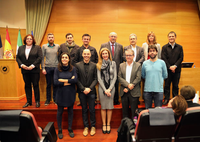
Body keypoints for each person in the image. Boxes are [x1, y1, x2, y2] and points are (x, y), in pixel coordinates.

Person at [54, 52, 77, 139]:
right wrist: (68, 81)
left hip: (70, 93)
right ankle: (60, 129)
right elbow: (56, 82)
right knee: (59, 112)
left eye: (66, 57)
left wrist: (62, 80)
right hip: (60, 94)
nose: (64, 59)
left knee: (70, 112)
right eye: (63, 57)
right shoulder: (57, 69)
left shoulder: (73, 69)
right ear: (61, 59)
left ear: (69, 59)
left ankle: (70, 128)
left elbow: (75, 81)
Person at [75, 49, 97, 137]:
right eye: (85, 54)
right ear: (82, 55)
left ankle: (93, 126)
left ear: (90, 55)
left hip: (91, 92)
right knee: (84, 110)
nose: (86, 55)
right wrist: (83, 89)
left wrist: (89, 88)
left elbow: (96, 79)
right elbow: (77, 79)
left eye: (88, 54)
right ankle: (86, 127)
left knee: (92, 110)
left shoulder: (94, 65)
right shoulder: (77, 65)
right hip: (82, 91)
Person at [16, 34, 42, 108]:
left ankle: (37, 101)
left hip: (34, 70)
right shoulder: (21, 48)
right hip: (25, 70)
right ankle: (29, 101)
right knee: (27, 85)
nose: (29, 40)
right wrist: (21, 65)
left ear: (33, 40)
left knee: (35, 85)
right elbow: (17, 58)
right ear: (25, 40)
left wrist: (32, 66)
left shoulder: (37, 47)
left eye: (30, 39)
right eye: (27, 39)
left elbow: (40, 58)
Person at [96, 48, 117, 134]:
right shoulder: (98, 65)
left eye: (106, 53)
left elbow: (115, 76)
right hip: (102, 88)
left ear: (109, 54)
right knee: (103, 107)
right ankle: (104, 124)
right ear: (101, 55)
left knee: (109, 107)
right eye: (103, 54)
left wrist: (110, 89)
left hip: (111, 88)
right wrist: (105, 90)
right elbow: (99, 78)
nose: (105, 55)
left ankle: (108, 124)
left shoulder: (113, 63)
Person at [74, 34, 98, 106]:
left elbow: (97, 59)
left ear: (89, 40)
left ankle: (94, 100)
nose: (86, 40)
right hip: (81, 70)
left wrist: (94, 67)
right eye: (85, 39)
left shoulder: (93, 49)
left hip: (91, 69)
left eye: (87, 39)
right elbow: (75, 60)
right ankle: (81, 101)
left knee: (92, 83)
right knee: (81, 84)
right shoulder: (78, 49)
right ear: (82, 40)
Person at [100, 32, 123, 105]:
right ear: (109, 37)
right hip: (105, 68)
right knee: (105, 83)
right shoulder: (103, 45)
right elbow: (100, 56)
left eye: (115, 36)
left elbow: (121, 58)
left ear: (116, 38)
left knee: (115, 84)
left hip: (116, 69)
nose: (113, 37)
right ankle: (105, 100)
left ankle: (116, 100)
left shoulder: (120, 46)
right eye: (112, 36)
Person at [118, 49, 141, 119]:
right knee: (125, 112)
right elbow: (119, 77)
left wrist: (129, 88)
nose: (128, 57)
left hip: (134, 92)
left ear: (133, 56)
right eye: (127, 55)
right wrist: (128, 85)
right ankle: (126, 127)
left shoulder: (138, 65)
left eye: (130, 55)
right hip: (124, 91)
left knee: (134, 112)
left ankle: (134, 128)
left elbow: (138, 78)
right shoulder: (121, 65)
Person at [162, 31, 184, 105]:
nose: (171, 38)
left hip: (177, 70)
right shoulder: (164, 47)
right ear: (168, 38)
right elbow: (163, 58)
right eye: (170, 36)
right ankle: (166, 99)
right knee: (167, 85)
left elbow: (181, 58)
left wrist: (175, 66)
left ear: (175, 37)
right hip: (167, 70)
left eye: (172, 36)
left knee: (175, 86)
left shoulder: (179, 47)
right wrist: (169, 67)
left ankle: (175, 99)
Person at [41, 33, 59, 106]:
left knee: (55, 84)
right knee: (48, 84)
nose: (51, 38)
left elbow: (60, 56)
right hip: (47, 67)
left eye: (52, 37)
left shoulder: (57, 46)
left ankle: (55, 99)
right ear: (47, 38)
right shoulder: (44, 46)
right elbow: (42, 58)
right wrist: (43, 68)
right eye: (49, 37)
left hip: (56, 67)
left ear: (54, 38)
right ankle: (48, 99)